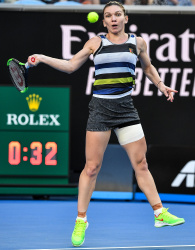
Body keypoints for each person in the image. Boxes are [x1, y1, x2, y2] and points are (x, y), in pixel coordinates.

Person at [27, 1, 185, 247]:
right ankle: (81, 220)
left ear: (125, 18)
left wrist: (162, 85)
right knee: (92, 168)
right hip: (100, 109)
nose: (113, 19)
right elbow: (70, 66)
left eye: (117, 14)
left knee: (141, 163)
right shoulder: (95, 43)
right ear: (103, 22)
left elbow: (148, 66)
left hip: (125, 109)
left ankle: (159, 213)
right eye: (108, 16)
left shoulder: (138, 42)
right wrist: (43, 58)